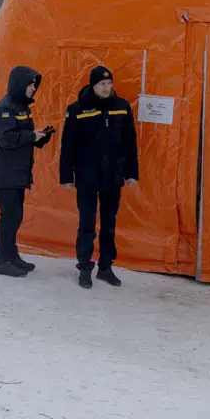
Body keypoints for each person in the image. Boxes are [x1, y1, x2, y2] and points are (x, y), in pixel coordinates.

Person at [59, 66, 139, 289]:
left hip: (113, 176)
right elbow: (68, 146)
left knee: (109, 224)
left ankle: (105, 267)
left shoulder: (122, 107)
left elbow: (130, 143)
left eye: (109, 83)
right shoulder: (77, 109)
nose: (106, 87)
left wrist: (131, 173)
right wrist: (66, 176)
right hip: (87, 176)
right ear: (93, 85)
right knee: (87, 224)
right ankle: (85, 268)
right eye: (102, 84)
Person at [0, 65, 55, 278]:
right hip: (5, 173)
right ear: (19, 84)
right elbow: (6, 139)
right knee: (10, 216)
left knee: (16, 216)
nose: (34, 88)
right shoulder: (5, 108)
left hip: (18, 172)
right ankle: (2, 261)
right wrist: (32, 136)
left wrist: (40, 136)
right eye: (30, 84)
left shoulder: (23, 108)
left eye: (35, 84)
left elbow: (22, 136)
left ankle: (12, 256)